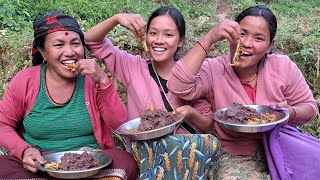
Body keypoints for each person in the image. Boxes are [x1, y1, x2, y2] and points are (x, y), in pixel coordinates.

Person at [167, 4, 318, 179]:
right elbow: (178, 86)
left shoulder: (283, 67)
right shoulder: (214, 69)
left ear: (270, 46)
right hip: (235, 155)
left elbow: (309, 108)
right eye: (242, 34)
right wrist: (209, 38)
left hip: (281, 145)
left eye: (258, 38)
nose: (246, 43)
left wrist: (289, 112)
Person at [85, 6, 219, 179]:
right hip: (144, 160)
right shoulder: (133, 68)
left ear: (180, 41)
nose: (159, 40)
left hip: (187, 162)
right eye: (153, 33)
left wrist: (191, 114)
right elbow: (92, 41)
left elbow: (208, 125)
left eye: (168, 35)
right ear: (145, 36)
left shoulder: (191, 74)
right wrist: (116, 18)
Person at [0, 12, 138, 179]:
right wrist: (25, 150)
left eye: (75, 43)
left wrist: (103, 83)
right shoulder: (25, 81)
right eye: (59, 45)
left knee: (125, 161)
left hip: (90, 164)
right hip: (41, 166)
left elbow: (121, 125)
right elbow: (3, 125)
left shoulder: (91, 80)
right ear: (43, 52)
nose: (70, 52)